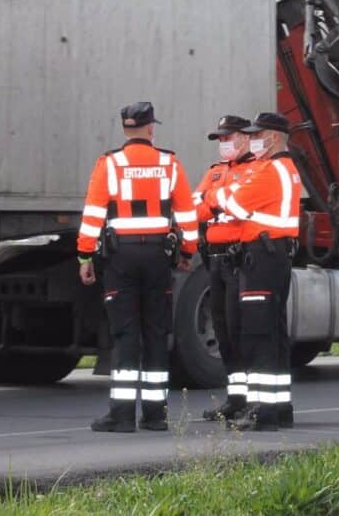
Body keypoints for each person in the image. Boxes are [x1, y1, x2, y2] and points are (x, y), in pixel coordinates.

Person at [77, 101, 198, 433]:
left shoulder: (109, 163)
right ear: (150, 128)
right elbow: (187, 214)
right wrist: (187, 251)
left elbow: (93, 214)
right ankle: (156, 415)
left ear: (124, 129)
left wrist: (85, 256)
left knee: (125, 334)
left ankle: (122, 414)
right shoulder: (169, 163)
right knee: (157, 332)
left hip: (121, 259)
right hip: (158, 257)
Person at [204, 112, 302, 431]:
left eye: (257, 134)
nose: (254, 140)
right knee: (273, 333)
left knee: (258, 334)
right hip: (270, 255)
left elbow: (233, 205)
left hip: (262, 256)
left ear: (273, 137)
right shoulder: (283, 168)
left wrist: (216, 196)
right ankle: (278, 406)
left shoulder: (271, 170)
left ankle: (262, 410)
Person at [193, 115, 257, 422]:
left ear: (245, 137)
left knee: (239, 328)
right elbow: (197, 207)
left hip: (239, 260)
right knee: (223, 332)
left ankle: (250, 400)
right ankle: (235, 398)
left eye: (227, 138)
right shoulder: (216, 172)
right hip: (214, 260)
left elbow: (239, 207)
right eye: (220, 140)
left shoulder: (255, 170)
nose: (223, 144)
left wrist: (214, 200)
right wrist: (217, 201)